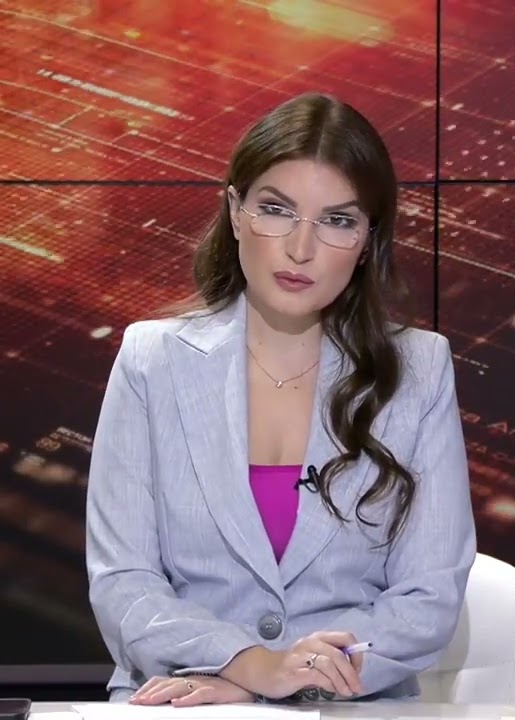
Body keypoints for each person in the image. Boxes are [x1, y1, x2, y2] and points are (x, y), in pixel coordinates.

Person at [84, 92, 477, 706]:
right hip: (183, 698)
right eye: (276, 209)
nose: (301, 249)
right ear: (235, 212)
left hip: (348, 706)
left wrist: (297, 675)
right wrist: (251, 666)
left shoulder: (418, 370)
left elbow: (427, 600)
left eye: (337, 221)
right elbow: (124, 582)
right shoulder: (152, 360)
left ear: (368, 240)